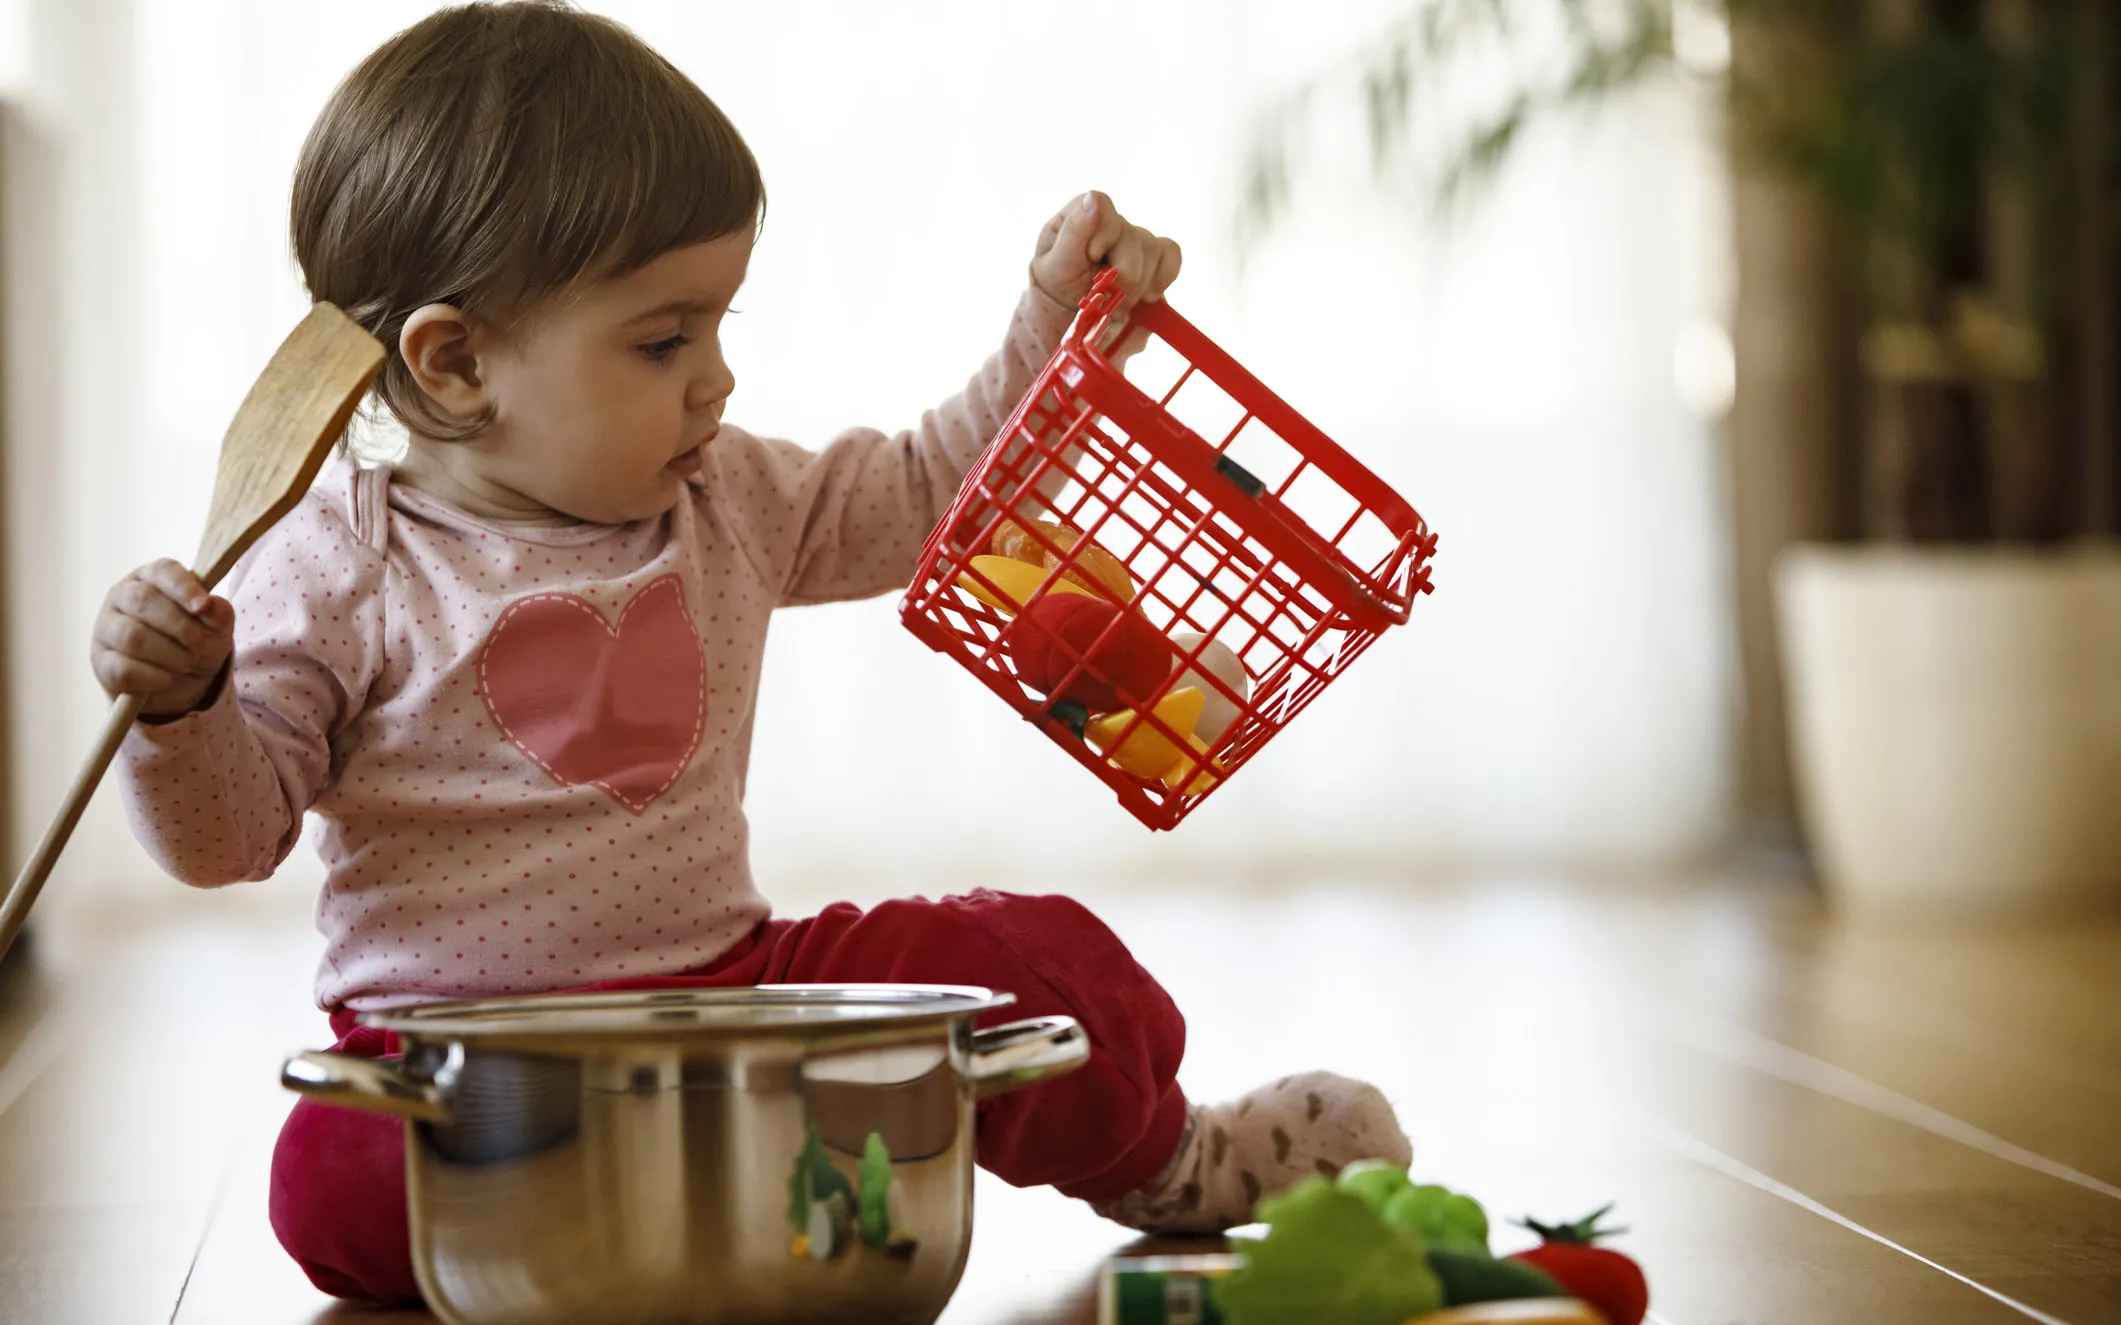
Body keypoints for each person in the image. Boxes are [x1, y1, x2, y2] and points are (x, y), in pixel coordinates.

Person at [97, 1, 1409, 1304]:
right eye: (664, 339)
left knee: (1032, 964)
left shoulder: (724, 496)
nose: (716, 379)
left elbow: (928, 489)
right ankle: (634, 1205)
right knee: (328, 1178)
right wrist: (186, 708)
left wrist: (1051, 327)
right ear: (454, 365)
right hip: (460, 1062)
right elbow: (227, 840)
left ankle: (1179, 1164)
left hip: (730, 1012)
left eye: (718, 324)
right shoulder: (333, 565)